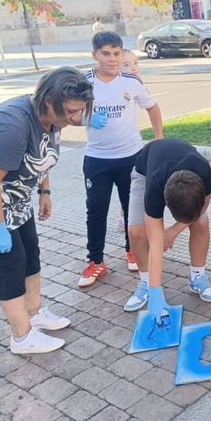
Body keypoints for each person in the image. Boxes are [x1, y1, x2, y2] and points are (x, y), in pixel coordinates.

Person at [0, 67, 94, 354]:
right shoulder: (13, 125)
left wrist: (44, 191)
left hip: (14, 196)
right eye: (71, 111)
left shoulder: (52, 117)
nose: (75, 118)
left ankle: (34, 313)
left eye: (80, 111)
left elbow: (42, 153)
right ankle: (22, 337)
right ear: (49, 101)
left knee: (30, 253)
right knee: (10, 264)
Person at [77, 31, 164, 288]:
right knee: (96, 210)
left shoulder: (131, 81)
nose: (112, 59)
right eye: (105, 54)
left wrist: (158, 139)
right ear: (94, 55)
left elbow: (152, 107)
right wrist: (85, 118)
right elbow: (66, 113)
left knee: (132, 208)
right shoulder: (83, 83)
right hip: (97, 158)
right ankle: (96, 261)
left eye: (116, 53)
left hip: (131, 157)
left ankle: (132, 251)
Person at [122, 138, 211, 316]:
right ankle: (146, 283)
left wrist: (173, 232)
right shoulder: (154, 189)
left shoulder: (205, 174)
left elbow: (201, 207)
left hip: (184, 167)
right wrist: (156, 292)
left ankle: (197, 277)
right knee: (137, 231)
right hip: (145, 171)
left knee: (201, 222)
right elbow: (156, 244)